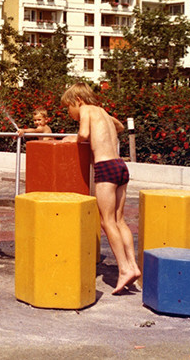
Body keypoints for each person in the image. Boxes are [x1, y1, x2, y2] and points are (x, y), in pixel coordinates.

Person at [61, 82, 141, 294]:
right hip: (120, 165)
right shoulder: (103, 112)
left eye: (69, 108)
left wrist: (73, 138)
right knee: (119, 219)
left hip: (105, 167)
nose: (71, 114)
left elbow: (84, 134)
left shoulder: (86, 109)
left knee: (106, 221)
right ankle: (132, 265)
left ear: (77, 101)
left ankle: (124, 268)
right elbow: (121, 127)